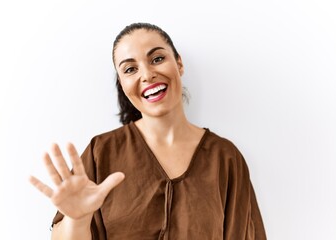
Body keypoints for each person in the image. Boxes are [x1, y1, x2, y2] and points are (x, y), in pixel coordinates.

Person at [29, 22, 267, 240]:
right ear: (122, 84)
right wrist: (77, 219)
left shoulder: (225, 158)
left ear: (179, 63)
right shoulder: (101, 152)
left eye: (156, 59)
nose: (147, 74)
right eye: (130, 69)